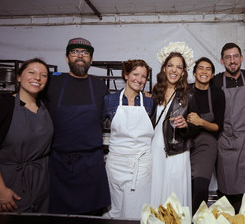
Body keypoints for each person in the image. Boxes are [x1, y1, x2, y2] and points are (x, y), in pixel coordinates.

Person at [45, 37, 110, 215]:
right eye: (74, 52)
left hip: (91, 165)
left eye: (85, 53)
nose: (80, 56)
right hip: (60, 166)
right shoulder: (52, 82)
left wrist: (142, 94)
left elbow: (116, 108)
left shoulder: (99, 85)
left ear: (91, 60)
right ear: (67, 58)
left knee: (92, 216)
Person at [210, 42, 245, 213]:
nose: (232, 60)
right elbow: (199, 94)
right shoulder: (216, 81)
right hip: (226, 140)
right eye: (228, 57)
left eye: (235, 56)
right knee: (226, 189)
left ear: (241, 58)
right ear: (222, 60)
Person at [150, 42, 199, 211]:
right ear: (164, 68)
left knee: (174, 196)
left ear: (184, 72)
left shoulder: (190, 94)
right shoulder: (156, 91)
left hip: (176, 150)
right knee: (156, 193)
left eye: (179, 67)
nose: (174, 70)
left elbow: (196, 126)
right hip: (155, 149)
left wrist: (187, 125)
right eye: (170, 65)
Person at [102, 60, 154, 219]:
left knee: (137, 210)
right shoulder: (109, 101)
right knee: (115, 209)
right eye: (135, 74)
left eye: (143, 76)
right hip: (116, 164)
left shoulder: (150, 102)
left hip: (141, 165)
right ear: (126, 75)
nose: (139, 79)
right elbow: (95, 127)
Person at [0, 58, 53, 212]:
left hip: (41, 183)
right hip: (10, 182)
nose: (37, 78)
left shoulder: (46, 107)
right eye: (31, 72)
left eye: (43, 75)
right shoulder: (4, 105)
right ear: (18, 76)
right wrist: (1, 190)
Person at [186, 57, 225, 213]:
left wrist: (200, 122)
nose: (204, 71)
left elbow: (218, 126)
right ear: (194, 72)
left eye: (208, 69)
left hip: (206, 145)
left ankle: (197, 219)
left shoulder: (217, 94)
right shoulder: (184, 90)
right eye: (200, 68)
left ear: (213, 74)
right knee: (183, 186)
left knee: (200, 188)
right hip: (184, 143)